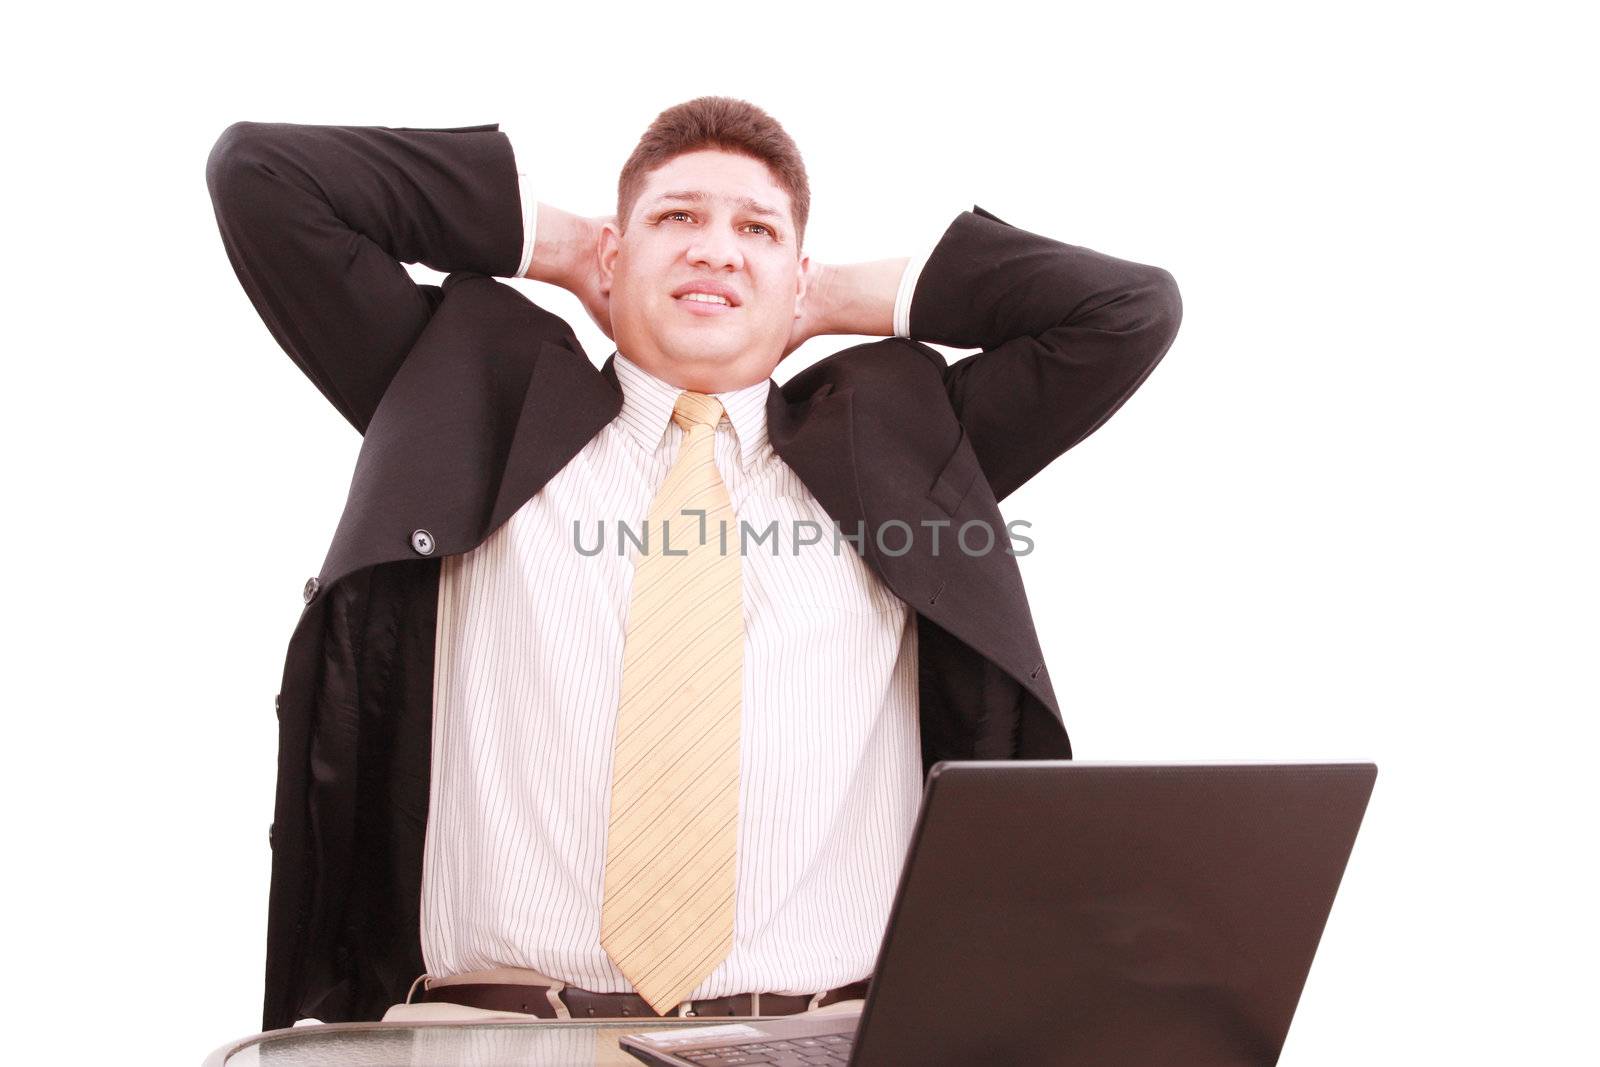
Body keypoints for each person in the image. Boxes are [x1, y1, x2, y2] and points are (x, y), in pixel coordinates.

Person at [204, 96, 1182, 1032]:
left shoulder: (906, 448)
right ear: (615, 250)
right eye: (677, 216)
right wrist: (557, 247)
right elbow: (264, 176)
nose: (715, 244)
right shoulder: (466, 399)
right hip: (489, 1039)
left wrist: (835, 292)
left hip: (819, 1040)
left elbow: (1126, 310)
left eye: (756, 229)